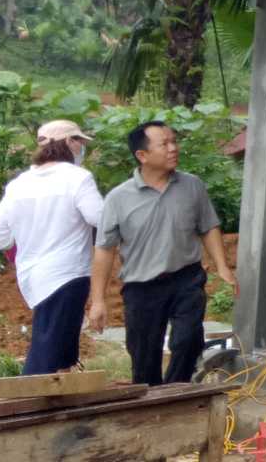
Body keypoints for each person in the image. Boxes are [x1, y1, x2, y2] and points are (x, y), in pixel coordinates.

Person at [90, 121, 238, 385]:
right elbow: (104, 250)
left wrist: (222, 266)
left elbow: (208, 227)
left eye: (174, 141)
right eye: (164, 144)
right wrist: (98, 300)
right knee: (144, 354)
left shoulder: (192, 186)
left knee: (189, 340)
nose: (173, 149)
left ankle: (176, 392)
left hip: (186, 278)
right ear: (142, 155)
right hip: (141, 286)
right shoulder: (118, 198)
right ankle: (150, 403)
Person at [0, 120, 104, 375]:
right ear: (70, 143)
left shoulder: (20, 184)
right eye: (80, 142)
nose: (82, 148)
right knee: (49, 352)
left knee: (60, 349)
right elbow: (99, 218)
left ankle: (60, 404)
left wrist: (23, 241)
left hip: (33, 277)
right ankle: (30, 403)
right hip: (69, 273)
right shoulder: (78, 178)